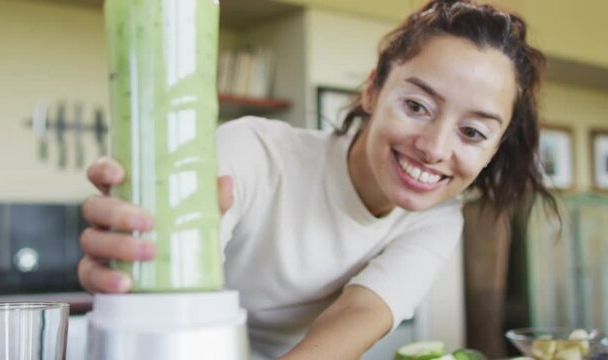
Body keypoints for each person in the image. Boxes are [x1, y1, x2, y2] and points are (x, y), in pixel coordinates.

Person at [78, 0, 557, 358]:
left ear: (494, 148)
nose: (434, 148)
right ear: (373, 90)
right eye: (416, 106)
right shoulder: (254, 151)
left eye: (472, 132)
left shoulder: (438, 218)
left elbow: (359, 315)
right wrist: (143, 249)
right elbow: (176, 278)